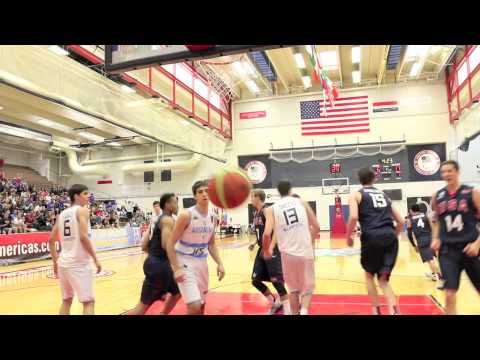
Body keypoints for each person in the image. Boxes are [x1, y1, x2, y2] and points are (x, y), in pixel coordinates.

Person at [346, 168, 404, 315]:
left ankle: (376, 310)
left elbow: (353, 217)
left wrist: (348, 237)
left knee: (369, 275)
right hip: (390, 236)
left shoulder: (356, 195)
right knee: (383, 280)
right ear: (375, 179)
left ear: (359, 180)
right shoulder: (384, 195)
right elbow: (401, 221)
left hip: (371, 236)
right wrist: (393, 236)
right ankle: (395, 311)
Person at [167, 180, 225, 315]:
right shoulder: (185, 215)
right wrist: (176, 269)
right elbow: (170, 243)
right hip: (184, 262)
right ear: (195, 196)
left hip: (202, 263)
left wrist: (220, 263)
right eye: (200, 192)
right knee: (194, 305)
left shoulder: (213, 217)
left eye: (207, 191)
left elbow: (211, 244)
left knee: (202, 305)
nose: (204, 194)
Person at [430, 160, 480, 315]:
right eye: (443, 171)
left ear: (457, 172)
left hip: (470, 248)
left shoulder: (472, 193)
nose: (446, 174)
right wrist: (435, 238)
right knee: (449, 293)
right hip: (448, 251)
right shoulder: (437, 196)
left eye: (449, 171)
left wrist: (478, 243)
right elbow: (435, 220)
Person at [263, 180, 320, 315]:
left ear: (278, 192)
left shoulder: (271, 208)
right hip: (305, 251)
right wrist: (309, 241)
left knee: (293, 290)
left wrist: (267, 250)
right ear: (290, 190)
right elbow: (317, 227)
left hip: (287, 254)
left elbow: (266, 234)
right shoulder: (301, 202)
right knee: (307, 289)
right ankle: (304, 311)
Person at [48, 184, 102, 315]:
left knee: (67, 301)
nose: (88, 196)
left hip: (63, 264)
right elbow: (83, 237)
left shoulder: (62, 214)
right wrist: (95, 259)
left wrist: (55, 263)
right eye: (85, 193)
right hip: (78, 263)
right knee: (88, 302)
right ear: (76, 196)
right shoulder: (83, 211)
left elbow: (51, 240)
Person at [129, 193, 181, 315]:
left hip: (156, 262)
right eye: (175, 202)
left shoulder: (156, 220)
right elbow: (166, 244)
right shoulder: (168, 220)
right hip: (159, 266)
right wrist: (177, 266)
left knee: (177, 291)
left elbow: (144, 245)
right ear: (167, 204)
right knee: (143, 306)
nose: (177, 205)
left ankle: (163, 313)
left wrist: (154, 256)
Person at [249, 189, 288, 314]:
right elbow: (261, 231)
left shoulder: (266, 210)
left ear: (257, 197)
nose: (250, 199)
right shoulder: (256, 213)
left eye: (252, 196)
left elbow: (277, 229)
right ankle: (274, 302)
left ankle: (289, 308)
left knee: (276, 281)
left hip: (271, 248)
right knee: (255, 280)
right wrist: (255, 242)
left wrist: (271, 246)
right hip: (262, 248)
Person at [407, 204, 443, 284]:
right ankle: (436, 273)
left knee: (429, 259)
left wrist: (414, 245)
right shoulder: (426, 216)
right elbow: (433, 227)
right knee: (433, 258)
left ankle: (437, 276)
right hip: (430, 238)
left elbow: (409, 234)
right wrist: (435, 238)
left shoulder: (410, 219)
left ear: (412, 210)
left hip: (421, 241)